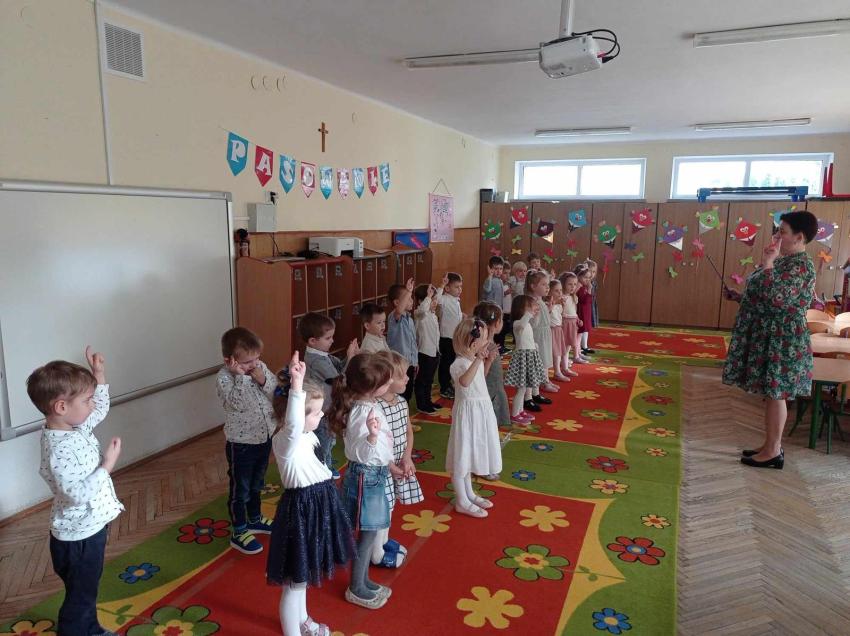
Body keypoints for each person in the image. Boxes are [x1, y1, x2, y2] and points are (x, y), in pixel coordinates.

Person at [28, 346, 123, 636]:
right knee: (80, 595)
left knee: (85, 590)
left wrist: (99, 375)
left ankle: (88, 628)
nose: (92, 405)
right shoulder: (59, 448)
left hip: (89, 528)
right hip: (77, 538)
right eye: (86, 400)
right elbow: (76, 494)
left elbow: (100, 409)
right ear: (61, 407)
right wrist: (106, 466)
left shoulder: (74, 427)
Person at [267, 351, 354, 636]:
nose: (322, 414)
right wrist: (296, 386)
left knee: (302, 577)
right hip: (302, 512)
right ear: (296, 414)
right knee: (294, 583)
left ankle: (303, 620)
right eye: (315, 412)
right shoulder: (286, 440)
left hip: (317, 507)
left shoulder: (307, 436)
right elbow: (293, 425)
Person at [722, 211, 818, 469]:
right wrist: (740, 296)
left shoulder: (801, 265)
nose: (776, 236)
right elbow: (765, 296)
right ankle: (769, 445)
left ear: (799, 237)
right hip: (772, 336)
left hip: (783, 340)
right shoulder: (786, 261)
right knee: (772, 394)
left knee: (776, 394)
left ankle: (773, 451)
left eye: (782, 232)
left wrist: (767, 263)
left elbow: (778, 298)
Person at [328, 353, 395, 609]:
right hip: (365, 476)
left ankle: (363, 580)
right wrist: (372, 438)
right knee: (366, 535)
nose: (390, 384)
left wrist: (389, 463)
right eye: (386, 382)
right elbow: (360, 453)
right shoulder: (361, 413)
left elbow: (381, 447)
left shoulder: (369, 405)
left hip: (374, 474)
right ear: (372, 388)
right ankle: (356, 587)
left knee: (371, 532)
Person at [216, 327, 277, 554]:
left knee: (257, 483)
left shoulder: (259, 368)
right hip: (241, 444)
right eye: (247, 362)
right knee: (240, 489)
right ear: (229, 361)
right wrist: (241, 377)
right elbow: (236, 403)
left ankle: (254, 519)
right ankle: (239, 530)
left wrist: (263, 380)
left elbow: (275, 392)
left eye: (257, 358)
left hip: (263, 437)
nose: (254, 364)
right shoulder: (224, 378)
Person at [446, 318, 503, 518]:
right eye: (485, 339)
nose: (487, 342)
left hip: (480, 412)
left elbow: (480, 378)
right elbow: (465, 382)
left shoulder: (472, 360)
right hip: (467, 416)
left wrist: (488, 361)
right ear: (472, 341)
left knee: (470, 454)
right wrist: (479, 359)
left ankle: (469, 493)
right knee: (462, 455)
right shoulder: (459, 363)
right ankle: (461, 500)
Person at [373, 351, 424, 566]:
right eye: (402, 375)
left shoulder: (402, 402)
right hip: (382, 467)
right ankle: (376, 554)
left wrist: (407, 457)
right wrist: (390, 464)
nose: (407, 378)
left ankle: (383, 542)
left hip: (398, 464)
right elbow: (375, 445)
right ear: (386, 380)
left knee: (391, 505)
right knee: (381, 509)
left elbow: (408, 432)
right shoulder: (375, 407)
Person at [300, 312, 359, 477]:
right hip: (321, 410)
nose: (332, 341)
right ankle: (322, 469)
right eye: (328, 338)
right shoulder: (316, 360)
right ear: (313, 341)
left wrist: (349, 357)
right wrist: (350, 357)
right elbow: (340, 379)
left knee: (330, 439)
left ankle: (326, 463)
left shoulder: (321, 354)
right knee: (324, 441)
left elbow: (338, 368)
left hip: (327, 407)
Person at [474, 301, 513, 460]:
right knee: (487, 425)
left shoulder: (488, 344)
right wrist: (489, 359)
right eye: (501, 319)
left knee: (491, 424)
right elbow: (479, 375)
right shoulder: (484, 346)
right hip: (488, 392)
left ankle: (490, 450)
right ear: (497, 323)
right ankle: (485, 456)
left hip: (494, 389)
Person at [506, 295, 548, 423]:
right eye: (529, 307)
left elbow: (529, 332)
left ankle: (520, 411)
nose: (532, 309)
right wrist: (529, 314)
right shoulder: (517, 323)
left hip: (529, 356)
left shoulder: (527, 323)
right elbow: (521, 327)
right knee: (521, 389)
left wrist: (534, 345)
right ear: (520, 309)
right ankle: (515, 414)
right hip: (522, 358)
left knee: (524, 389)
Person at [526, 270, 558, 395]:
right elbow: (533, 323)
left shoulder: (540, 300)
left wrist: (549, 310)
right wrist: (538, 314)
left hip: (545, 334)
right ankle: (543, 382)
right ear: (533, 286)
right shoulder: (532, 302)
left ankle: (546, 380)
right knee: (540, 359)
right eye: (544, 284)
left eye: (548, 284)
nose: (547, 287)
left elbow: (545, 320)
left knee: (545, 358)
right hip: (538, 336)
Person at [385, 279, 418, 401]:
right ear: (397, 302)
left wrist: (415, 361)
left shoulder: (410, 319)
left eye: (411, 297)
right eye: (408, 298)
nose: (412, 300)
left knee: (408, 392)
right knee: (399, 394)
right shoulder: (394, 317)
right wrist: (408, 291)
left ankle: (405, 410)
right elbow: (399, 310)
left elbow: (413, 342)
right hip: (399, 365)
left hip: (410, 363)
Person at [413, 283, 442, 413]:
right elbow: (423, 309)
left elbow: (436, 299)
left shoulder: (432, 314)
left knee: (429, 380)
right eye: (431, 299)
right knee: (422, 380)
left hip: (434, 351)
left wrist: (442, 286)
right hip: (424, 352)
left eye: (434, 299)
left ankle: (428, 400)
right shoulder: (419, 314)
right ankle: (421, 404)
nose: (434, 302)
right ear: (421, 301)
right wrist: (428, 297)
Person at [437, 272, 464, 400]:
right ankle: (444, 387)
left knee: (453, 361)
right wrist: (441, 285)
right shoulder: (444, 299)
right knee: (446, 363)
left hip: (454, 337)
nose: (460, 289)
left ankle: (449, 384)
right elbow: (436, 300)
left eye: (460, 286)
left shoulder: (455, 300)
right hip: (446, 338)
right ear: (447, 288)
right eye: (456, 287)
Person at [558, 271, 582, 375]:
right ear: (563, 284)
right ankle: (562, 367)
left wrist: (578, 319)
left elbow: (573, 311)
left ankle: (565, 366)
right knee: (563, 346)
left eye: (575, 284)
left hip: (572, 324)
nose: (573, 287)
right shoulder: (562, 297)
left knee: (568, 347)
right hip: (564, 324)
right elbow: (560, 312)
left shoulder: (573, 297)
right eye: (570, 284)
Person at [548, 279, 570, 382]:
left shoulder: (559, 304)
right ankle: (555, 372)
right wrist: (552, 305)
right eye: (556, 291)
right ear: (549, 292)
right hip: (551, 330)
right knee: (553, 352)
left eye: (560, 290)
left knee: (558, 352)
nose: (560, 293)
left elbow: (560, 316)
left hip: (558, 329)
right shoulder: (548, 303)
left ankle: (558, 371)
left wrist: (562, 305)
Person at [574, 264, 594, 362]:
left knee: (580, 335)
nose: (588, 280)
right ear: (578, 276)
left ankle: (579, 353)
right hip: (581, 313)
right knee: (578, 335)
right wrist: (589, 290)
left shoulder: (582, 286)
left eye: (589, 278)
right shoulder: (579, 287)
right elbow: (584, 301)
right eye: (585, 277)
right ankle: (576, 355)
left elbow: (589, 301)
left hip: (585, 312)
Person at [585, 258, 600, 338]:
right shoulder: (583, 282)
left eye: (594, 272)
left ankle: (585, 343)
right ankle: (582, 343)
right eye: (590, 271)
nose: (592, 274)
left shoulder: (594, 282)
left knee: (588, 324)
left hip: (591, 304)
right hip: (585, 305)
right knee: (584, 324)